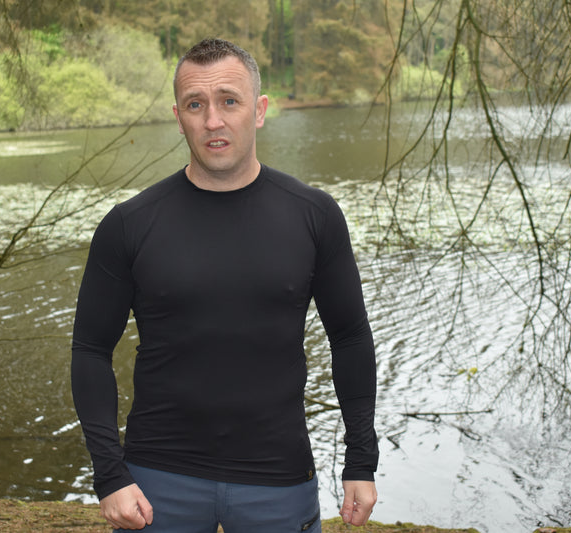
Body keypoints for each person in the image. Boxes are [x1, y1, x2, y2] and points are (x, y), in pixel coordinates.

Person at [71, 38, 378, 532]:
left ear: (259, 110)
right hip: (156, 481)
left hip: (279, 478)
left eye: (229, 101)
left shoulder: (314, 216)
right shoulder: (129, 224)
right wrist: (109, 475)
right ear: (179, 117)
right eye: (196, 105)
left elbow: (350, 337)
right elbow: (90, 349)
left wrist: (361, 460)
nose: (213, 120)